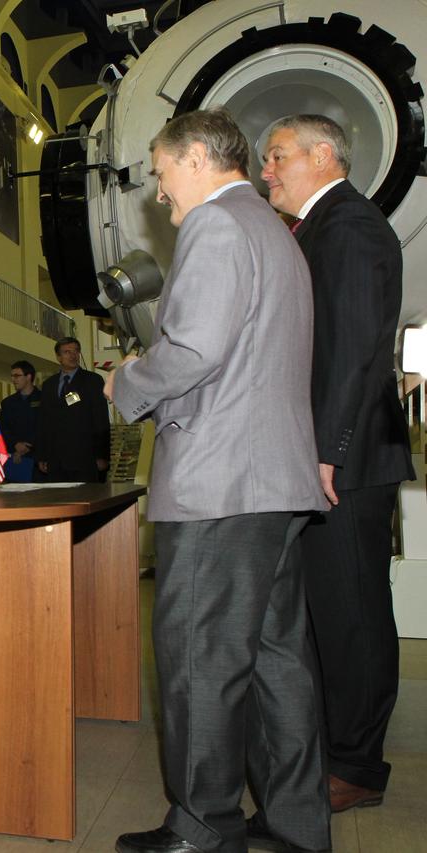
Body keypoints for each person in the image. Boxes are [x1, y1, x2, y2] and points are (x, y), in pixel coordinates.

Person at [105, 107, 330, 853]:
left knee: (200, 661)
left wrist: (127, 382)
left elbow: (193, 350)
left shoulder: (216, 224)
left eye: (162, 172)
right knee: (275, 662)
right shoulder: (274, 231)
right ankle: (296, 822)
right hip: (272, 484)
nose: (159, 191)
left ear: (197, 158)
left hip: (219, 485)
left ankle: (203, 827)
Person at [261, 114, 416, 815]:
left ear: (323, 155)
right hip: (328, 455)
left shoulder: (348, 225)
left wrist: (329, 451)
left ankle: (355, 765)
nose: (267, 171)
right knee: (328, 611)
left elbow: (350, 349)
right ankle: (331, 748)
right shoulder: (318, 227)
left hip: (343, 462)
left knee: (352, 611)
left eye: (277, 156)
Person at [36, 337, 109, 482]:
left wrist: (102, 455)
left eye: (76, 351)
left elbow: (101, 420)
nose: (73, 355)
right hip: (55, 459)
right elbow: (43, 422)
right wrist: (42, 455)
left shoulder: (93, 381)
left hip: (84, 458)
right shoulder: (49, 384)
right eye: (67, 352)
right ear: (58, 357)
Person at [0, 360, 40, 483]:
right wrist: (16, 444)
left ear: (29, 377)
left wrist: (28, 446)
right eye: (12, 376)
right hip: (14, 457)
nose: (13, 379)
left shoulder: (44, 399)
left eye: (17, 376)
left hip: (38, 458)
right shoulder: (8, 403)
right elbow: (3, 428)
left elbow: (46, 427)